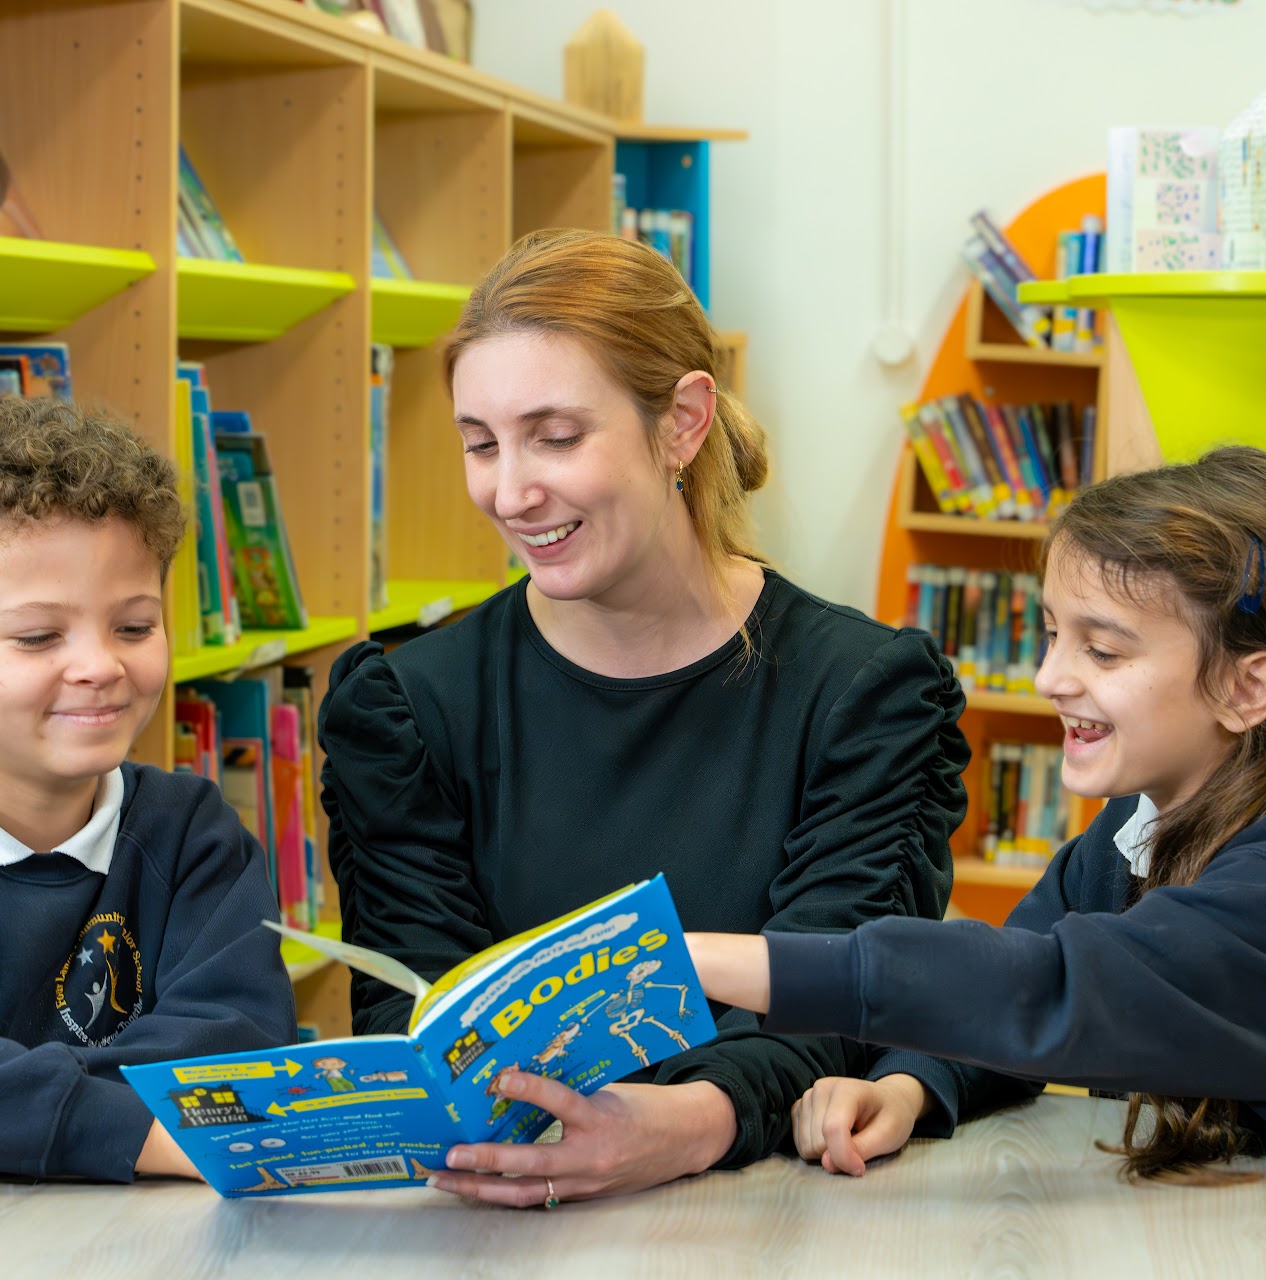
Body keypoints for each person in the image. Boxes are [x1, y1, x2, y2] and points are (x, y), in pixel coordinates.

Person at [318, 228, 971, 1207]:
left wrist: (692, 1121)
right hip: (502, 1219)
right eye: (480, 444)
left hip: (782, 1213)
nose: (509, 492)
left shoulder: (863, 694)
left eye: (555, 436)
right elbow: (415, 1016)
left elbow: (840, 993)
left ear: (682, 423)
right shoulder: (407, 710)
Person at [687, 445, 1266, 1184]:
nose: (1049, 678)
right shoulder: (1131, 829)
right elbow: (1007, 981)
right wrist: (908, 1086)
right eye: (1053, 635)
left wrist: (707, 960)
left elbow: (1052, 989)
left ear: (1246, 688)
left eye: (1102, 651)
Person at [0, 397, 296, 1183]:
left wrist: (30, 1107)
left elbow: (238, 1046)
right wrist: (141, 1131)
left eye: (134, 627)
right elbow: (196, 1114)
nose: (101, 666)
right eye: (37, 636)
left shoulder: (193, 832)